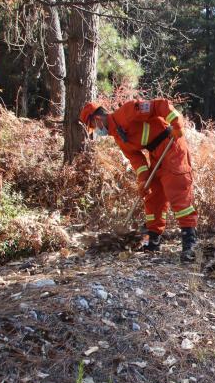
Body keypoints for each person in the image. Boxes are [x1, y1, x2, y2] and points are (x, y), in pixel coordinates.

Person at [80, 99, 198, 262]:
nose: (97, 131)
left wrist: (176, 122)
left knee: (177, 191)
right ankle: (153, 240)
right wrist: (143, 180)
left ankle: (190, 243)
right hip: (156, 155)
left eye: (93, 126)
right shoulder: (118, 137)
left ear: (97, 119)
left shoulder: (128, 111)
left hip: (172, 145)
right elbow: (136, 159)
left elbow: (159, 105)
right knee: (153, 196)